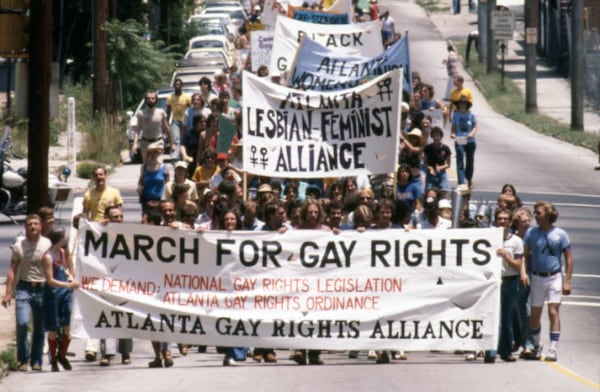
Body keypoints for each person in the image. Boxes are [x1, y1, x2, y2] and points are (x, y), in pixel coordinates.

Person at [523, 201, 573, 362]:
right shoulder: (531, 233)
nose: (536, 216)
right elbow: (524, 255)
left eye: (539, 213)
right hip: (537, 277)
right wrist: (523, 273)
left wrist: (567, 281)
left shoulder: (560, 234)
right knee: (534, 316)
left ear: (548, 214)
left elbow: (569, 259)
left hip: (554, 277)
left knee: (553, 312)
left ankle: (553, 348)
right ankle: (538, 346)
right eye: (535, 213)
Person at [2, 214, 52, 371]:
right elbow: (12, 269)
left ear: (41, 226)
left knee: (39, 327)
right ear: (25, 227)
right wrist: (8, 293)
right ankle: (23, 359)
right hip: (24, 288)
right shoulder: (19, 246)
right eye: (30, 224)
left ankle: (37, 361)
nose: (33, 227)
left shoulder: (47, 244)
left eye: (36, 224)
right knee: (22, 323)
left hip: (43, 288)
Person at [42, 227, 80, 372]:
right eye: (64, 236)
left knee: (68, 327)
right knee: (53, 330)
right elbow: (50, 280)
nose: (66, 239)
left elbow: (67, 269)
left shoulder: (63, 253)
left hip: (66, 294)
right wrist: (69, 284)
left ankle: (62, 355)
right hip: (53, 295)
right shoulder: (48, 257)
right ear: (59, 238)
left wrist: (71, 276)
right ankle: (53, 360)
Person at [495, 208, 524, 362]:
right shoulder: (490, 238)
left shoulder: (516, 242)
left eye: (505, 219)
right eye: (499, 218)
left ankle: (506, 351)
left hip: (510, 281)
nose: (502, 221)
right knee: (492, 316)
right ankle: (490, 350)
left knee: (506, 319)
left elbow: (518, 265)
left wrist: (506, 255)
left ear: (511, 222)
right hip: (493, 282)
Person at [133, 90, 174, 163]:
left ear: (156, 100)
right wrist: (135, 144)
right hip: (145, 143)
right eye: (148, 98)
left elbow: (167, 128)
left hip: (158, 142)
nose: (150, 100)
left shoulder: (161, 112)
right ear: (146, 100)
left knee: (158, 165)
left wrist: (172, 143)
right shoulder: (141, 113)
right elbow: (137, 130)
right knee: (146, 167)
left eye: (152, 98)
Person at [451, 95, 478, 189]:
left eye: (464, 103)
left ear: (467, 105)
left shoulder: (471, 115)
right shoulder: (456, 114)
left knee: (470, 161)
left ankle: (469, 178)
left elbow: (475, 126)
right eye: (461, 103)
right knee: (460, 159)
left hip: (470, 140)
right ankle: (461, 182)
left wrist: (471, 134)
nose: (462, 105)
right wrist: (452, 133)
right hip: (460, 139)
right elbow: (453, 126)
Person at [167, 78, 192, 161]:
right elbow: (168, 110)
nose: (177, 86)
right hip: (175, 121)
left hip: (185, 121)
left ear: (182, 86)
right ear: (173, 86)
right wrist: (167, 122)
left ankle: (183, 155)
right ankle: (175, 156)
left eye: (179, 85)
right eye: (176, 85)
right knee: (176, 139)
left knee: (184, 139)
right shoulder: (170, 97)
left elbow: (190, 109)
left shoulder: (186, 97)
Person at [138, 141, 169, 206]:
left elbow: (167, 185)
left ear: (158, 154)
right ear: (148, 154)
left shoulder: (164, 168)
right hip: (146, 200)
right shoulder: (144, 167)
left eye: (155, 153)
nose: (153, 155)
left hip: (160, 200)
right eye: (150, 153)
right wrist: (139, 188)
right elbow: (140, 181)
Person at [423, 126, 451, 198]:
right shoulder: (427, 148)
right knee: (430, 193)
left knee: (443, 191)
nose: (436, 137)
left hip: (441, 173)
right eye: (434, 135)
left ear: (441, 136)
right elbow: (425, 163)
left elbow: (448, 164)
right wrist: (430, 168)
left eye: (438, 135)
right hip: (431, 174)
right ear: (432, 136)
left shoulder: (446, 148)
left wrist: (440, 167)